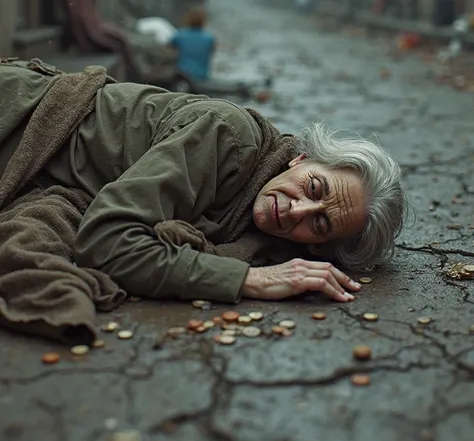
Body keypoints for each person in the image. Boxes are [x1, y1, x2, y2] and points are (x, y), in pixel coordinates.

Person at [0, 59, 406, 342]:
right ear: (301, 158)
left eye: (319, 223)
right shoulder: (227, 136)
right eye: (315, 188)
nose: (296, 210)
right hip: (15, 116)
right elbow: (107, 241)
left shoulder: (267, 223)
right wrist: (250, 280)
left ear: (317, 246)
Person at [168, 7, 216, 81]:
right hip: (201, 76)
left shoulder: (180, 35)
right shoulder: (209, 38)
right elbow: (211, 52)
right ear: (203, 21)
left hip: (182, 76)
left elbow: (168, 51)